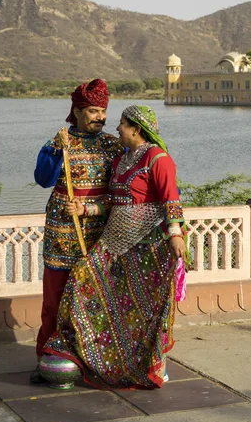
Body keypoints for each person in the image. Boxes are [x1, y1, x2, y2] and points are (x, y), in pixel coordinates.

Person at [43, 105, 187, 389]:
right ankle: (97, 357)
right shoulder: (123, 159)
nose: (117, 127)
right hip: (114, 241)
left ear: (136, 128)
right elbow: (113, 202)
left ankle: (155, 365)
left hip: (147, 246)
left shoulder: (158, 159)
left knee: (146, 308)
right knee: (84, 284)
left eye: (122, 123)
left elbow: (171, 199)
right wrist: (85, 209)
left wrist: (175, 235)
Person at [31, 79, 123, 383]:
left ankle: (94, 359)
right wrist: (57, 151)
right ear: (78, 110)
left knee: (96, 297)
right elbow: (43, 179)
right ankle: (49, 358)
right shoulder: (59, 141)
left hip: (99, 233)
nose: (100, 117)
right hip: (62, 231)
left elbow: (124, 190)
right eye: (94, 110)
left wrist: (92, 208)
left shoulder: (112, 145)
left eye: (103, 111)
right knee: (55, 297)